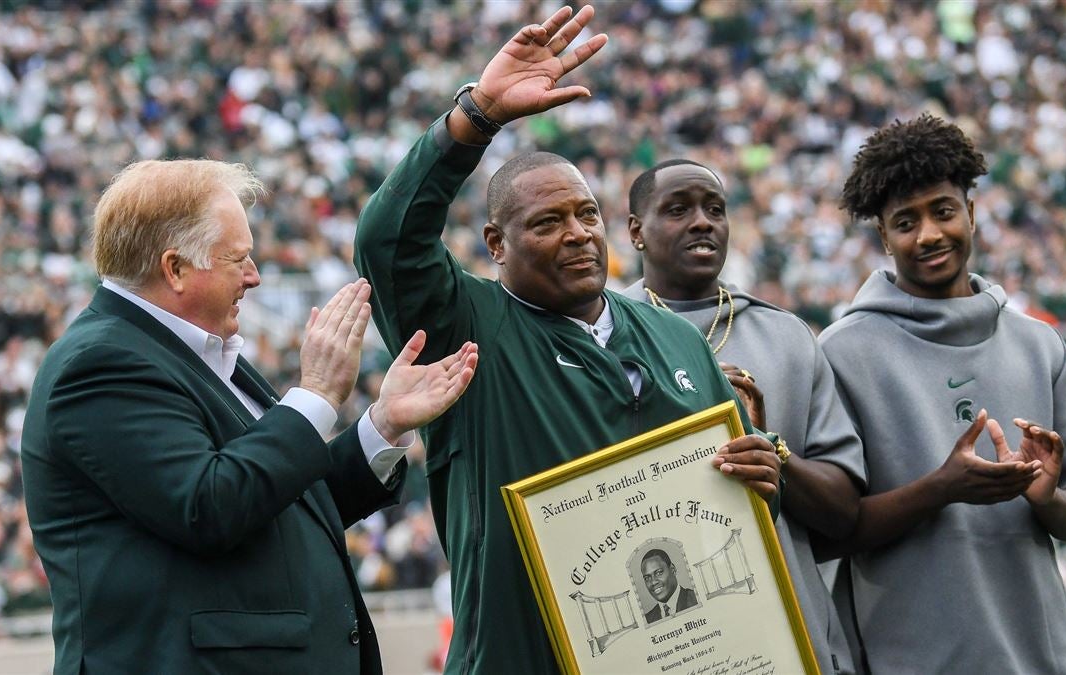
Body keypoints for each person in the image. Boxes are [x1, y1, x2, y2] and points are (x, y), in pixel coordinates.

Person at [353, 7, 782, 673]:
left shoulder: (674, 336)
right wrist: (477, 117)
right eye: (549, 221)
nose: (579, 233)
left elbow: (719, 518)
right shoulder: (468, 328)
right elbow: (388, 240)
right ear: (496, 244)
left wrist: (759, 472)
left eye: (588, 214)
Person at [21, 159, 478, 674]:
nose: (254, 276)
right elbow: (211, 505)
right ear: (175, 268)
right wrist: (317, 395)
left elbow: (282, 503)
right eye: (238, 259)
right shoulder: (99, 364)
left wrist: (382, 426)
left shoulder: (195, 352)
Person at [818, 114, 1066, 674]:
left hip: (1043, 661)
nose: (929, 233)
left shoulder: (1037, 343)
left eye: (943, 211)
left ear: (972, 214)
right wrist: (941, 489)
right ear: (883, 236)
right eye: (905, 221)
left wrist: (1046, 497)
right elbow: (833, 532)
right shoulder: (840, 354)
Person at [622, 159, 865, 674]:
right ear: (636, 231)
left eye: (715, 209)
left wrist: (768, 448)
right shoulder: (598, 336)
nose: (703, 221)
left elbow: (844, 513)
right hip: (662, 650)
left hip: (788, 635)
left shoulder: (789, 337)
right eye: (678, 209)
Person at [640, 548, 698, 624]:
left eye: (659, 573)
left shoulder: (696, 600)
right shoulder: (648, 620)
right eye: (647, 578)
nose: (653, 582)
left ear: (673, 569)